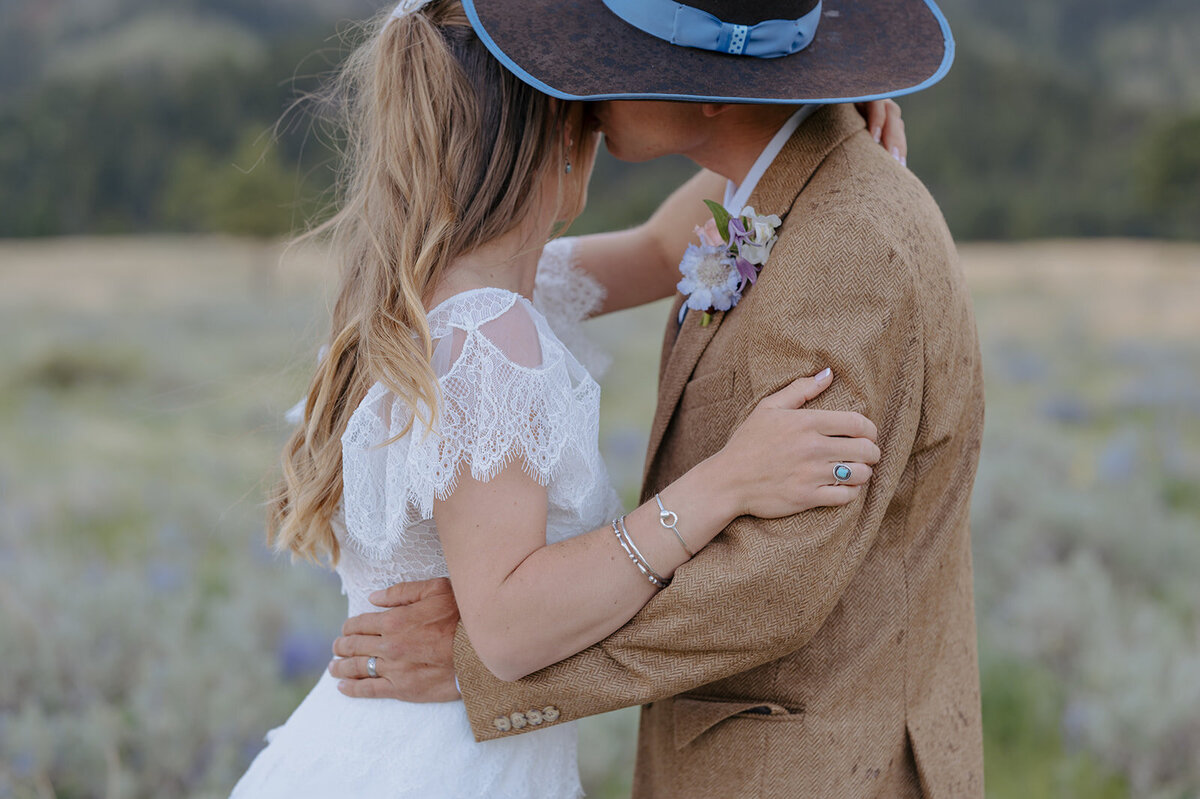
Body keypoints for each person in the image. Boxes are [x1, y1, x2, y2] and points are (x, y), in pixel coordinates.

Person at [231, 0, 910, 795]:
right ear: (557, 136)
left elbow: (665, 248)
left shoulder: (457, 296)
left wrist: (805, 125)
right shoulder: (486, 332)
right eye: (590, 115)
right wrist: (727, 482)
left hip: (381, 747)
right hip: (442, 765)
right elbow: (511, 629)